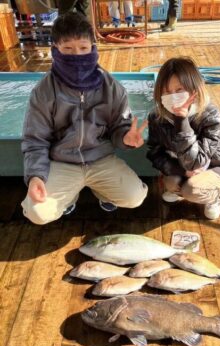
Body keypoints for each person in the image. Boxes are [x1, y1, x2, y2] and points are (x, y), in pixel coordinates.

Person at [21, 12, 148, 225]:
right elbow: (35, 141)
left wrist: (125, 138)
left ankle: (103, 193)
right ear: (55, 50)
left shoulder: (112, 87)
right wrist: (35, 176)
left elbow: (119, 127)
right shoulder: (43, 91)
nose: (77, 56)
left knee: (135, 197)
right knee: (37, 213)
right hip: (62, 162)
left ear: (93, 48)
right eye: (67, 49)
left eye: (83, 48)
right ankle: (69, 196)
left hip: (101, 159)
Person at [146, 57, 220, 220]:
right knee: (171, 182)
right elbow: (154, 152)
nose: (173, 97)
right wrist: (181, 171)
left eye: (180, 90)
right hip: (185, 165)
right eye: (166, 91)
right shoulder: (156, 117)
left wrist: (181, 121)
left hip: (217, 165)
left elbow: (197, 163)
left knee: (192, 190)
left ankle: (213, 197)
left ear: (194, 90)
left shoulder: (211, 115)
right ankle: (181, 188)